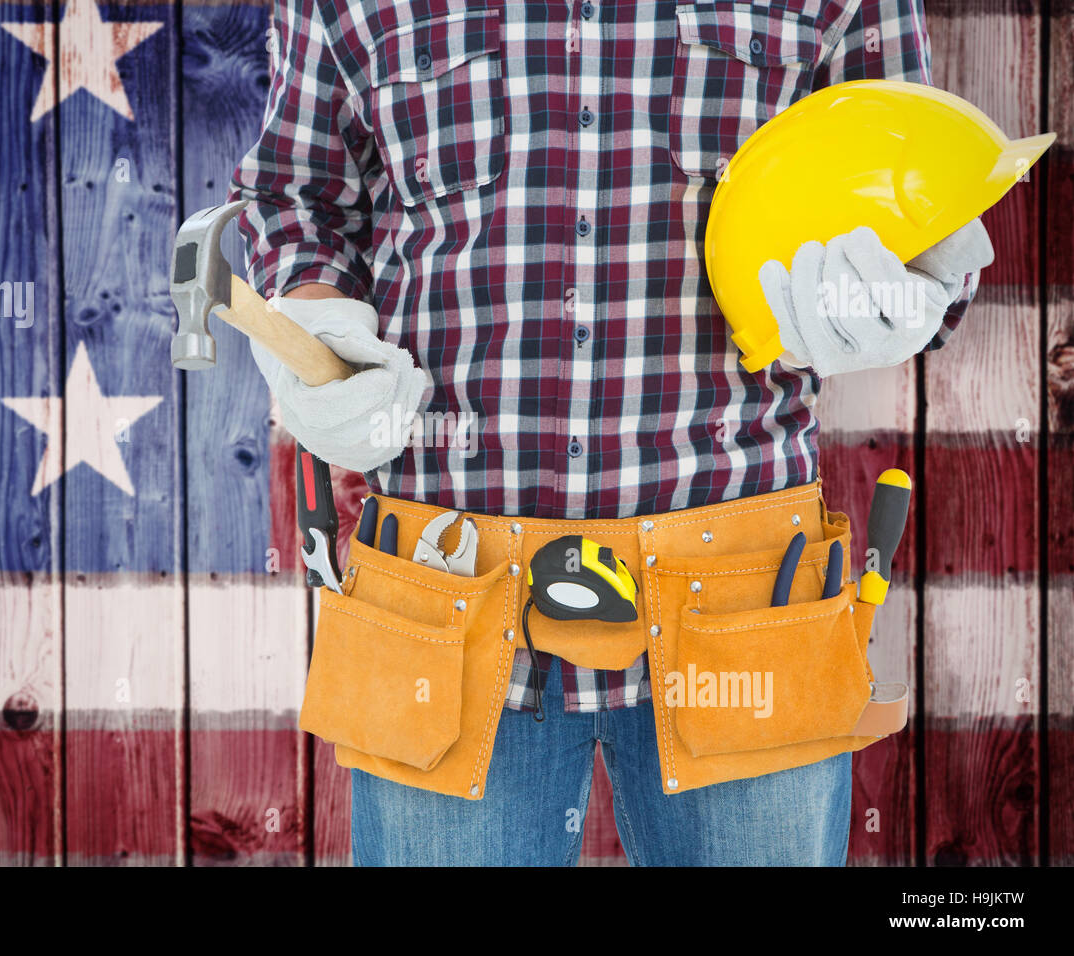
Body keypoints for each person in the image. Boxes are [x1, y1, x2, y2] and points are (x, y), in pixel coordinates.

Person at [228, 0, 994, 866]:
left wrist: (910, 287)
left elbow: (927, 194)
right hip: (450, 599)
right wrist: (318, 328)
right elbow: (295, 196)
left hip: (746, 600)